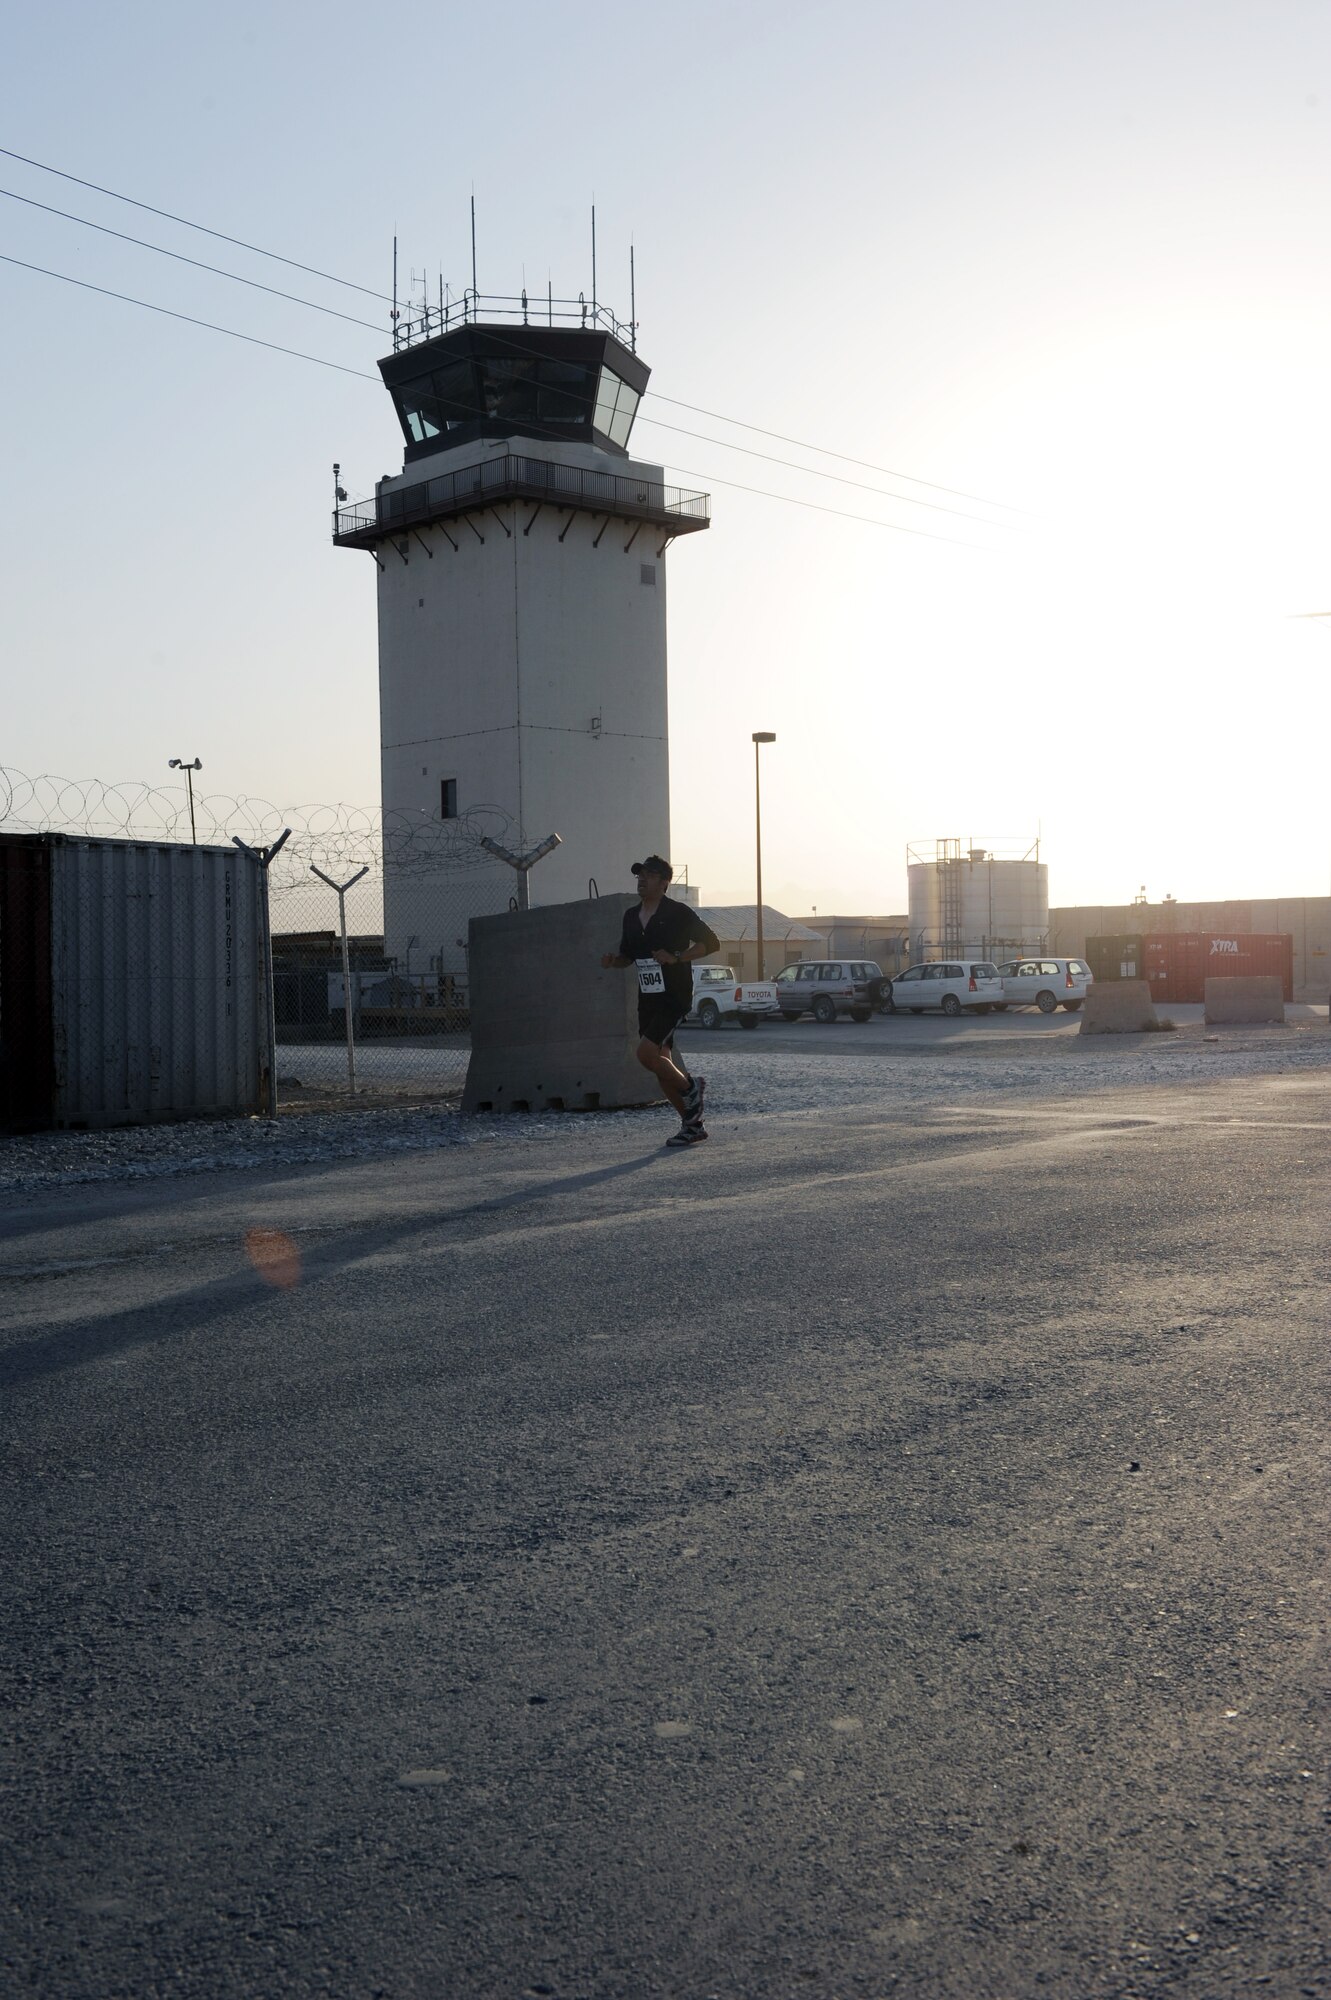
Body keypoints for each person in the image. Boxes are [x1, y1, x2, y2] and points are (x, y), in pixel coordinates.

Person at [600, 856, 720, 1146]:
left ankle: (692, 1086)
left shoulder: (678, 912)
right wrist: (613, 962)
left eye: (650, 875)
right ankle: (693, 1126)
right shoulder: (630, 916)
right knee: (659, 1062)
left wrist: (676, 957)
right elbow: (628, 956)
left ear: (665, 884)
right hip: (648, 997)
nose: (642, 879)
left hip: (674, 995)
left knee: (645, 1054)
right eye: (640, 874)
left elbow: (711, 943)